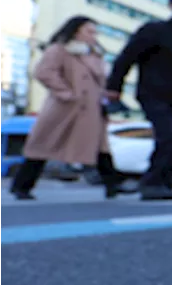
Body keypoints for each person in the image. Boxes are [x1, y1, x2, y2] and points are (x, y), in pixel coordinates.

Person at [9, 16, 133, 200]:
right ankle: (22, 185)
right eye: (89, 31)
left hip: (91, 109)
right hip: (64, 107)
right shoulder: (59, 49)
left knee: (100, 147)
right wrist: (66, 92)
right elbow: (43, 72)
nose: (94, 35)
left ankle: (112, 185)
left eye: (95, 32)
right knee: (43, 145)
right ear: (76, 31)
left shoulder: (94, 53)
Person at [105, 0, 172, 200]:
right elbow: (126, 57)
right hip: (154, 93)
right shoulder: (154, 31)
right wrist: (114, 86)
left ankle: (166, 183)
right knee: (169, 136)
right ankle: (152, 183)